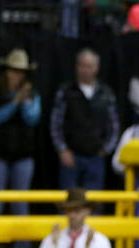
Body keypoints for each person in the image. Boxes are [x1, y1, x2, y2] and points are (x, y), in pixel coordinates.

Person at [50, 48, 119, 193]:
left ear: (96, 68)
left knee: (94, 203)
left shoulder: (106, 93)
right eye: (82, 65)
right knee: (68, 202)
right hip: (71, 154)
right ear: (76, 67)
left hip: (96, 156)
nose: (85, 70)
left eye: (89, 66)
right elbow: (56, 123)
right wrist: (62, 149)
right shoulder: (66, 91)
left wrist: (106, 148)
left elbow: (114, 125)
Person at [0, 49, 41, 220]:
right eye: (14, 71)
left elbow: (33, 118)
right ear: (6, 71)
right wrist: (15, 102)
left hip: (23, 155)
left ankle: (22, 247)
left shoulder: (32, 94)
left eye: (20, 72)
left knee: (21, 204)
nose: (17, 75)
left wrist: (24, 102)